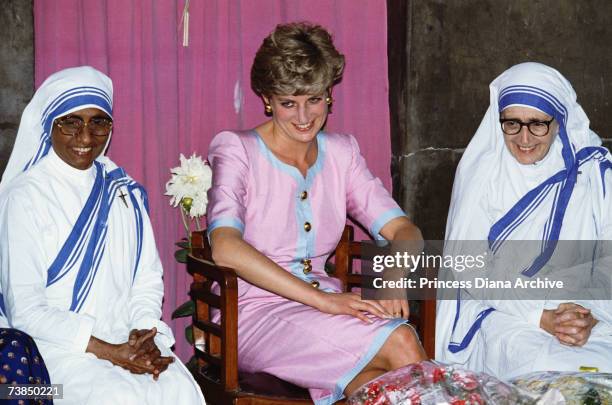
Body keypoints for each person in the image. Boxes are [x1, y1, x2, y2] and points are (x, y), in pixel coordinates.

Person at [206, 22, 427, 404]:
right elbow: (224, 248)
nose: (304, 116)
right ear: (267, 99)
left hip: (329, 311)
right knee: (402, 339)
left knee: (378, 386)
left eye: (315, 99)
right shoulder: (237, 150)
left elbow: (406, 231)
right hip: (253, 315)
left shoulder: (342, 153)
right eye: (289, 102)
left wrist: (392, 277)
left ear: (329, 94)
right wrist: (324, 301)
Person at [0, 66, 205, 404]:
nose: (85, 137)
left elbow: (147, 281)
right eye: (71, 122)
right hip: (51, 359)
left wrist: (143, 336)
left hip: (125, 340)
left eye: (98, 122)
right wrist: (111, 352)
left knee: (177, 390)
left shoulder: (123, 192)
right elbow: (26, 311)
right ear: (50, 123)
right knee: (115, 397)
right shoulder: (24, 197)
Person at [436, 62, 612, 379]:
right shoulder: (484, 175)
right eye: (512, 124)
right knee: (541, 371)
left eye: (538, 124)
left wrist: (589, 316)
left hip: (587, 312)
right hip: (505, 310)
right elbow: (469, 267)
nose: (524, 138)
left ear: (558, 121)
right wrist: (540, 316)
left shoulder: (593, 172)